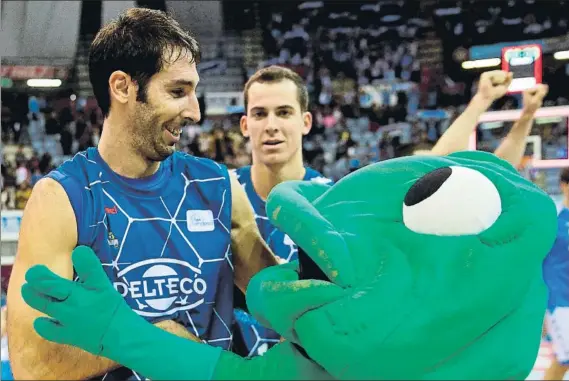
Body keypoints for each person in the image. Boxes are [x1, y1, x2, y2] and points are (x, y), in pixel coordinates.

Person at [6, 8, 278, 381]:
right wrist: (161, 339)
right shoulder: (62, 200)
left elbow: (284, 309)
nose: (195, 112)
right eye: (177, 91)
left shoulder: (219, 188)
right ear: (122, 87)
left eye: (194, 92)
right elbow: (31, 366)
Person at [231, 66, 333, 358]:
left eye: (284, 112)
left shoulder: (333, 202)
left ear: (306, 121)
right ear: (245, 125)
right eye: (260, 114)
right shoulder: (220, 196)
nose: (271, 125)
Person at [542, 167, 569, 381]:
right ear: (564, 186)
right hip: (559, 302)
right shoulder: (552, 220)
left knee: (562, 363)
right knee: (564, 361)